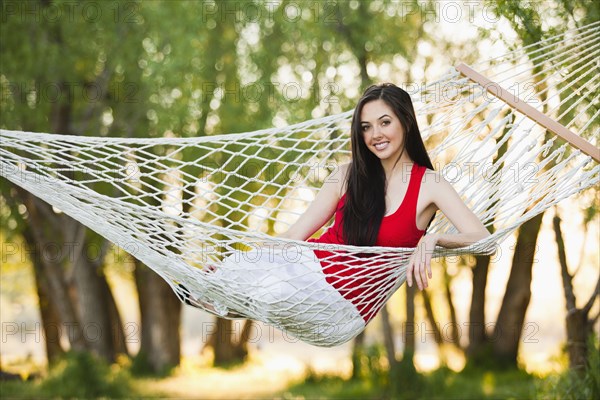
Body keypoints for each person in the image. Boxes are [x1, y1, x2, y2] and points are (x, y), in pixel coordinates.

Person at [182, 83, 490, 346]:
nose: (375, 134)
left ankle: (233, 296)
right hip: (307, 269)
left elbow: (484, 241)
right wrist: (251, 260)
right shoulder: (345, 175)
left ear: (406, 123)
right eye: (366, 127)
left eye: (385, 122)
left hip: (343, 307)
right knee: (239, 270)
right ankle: (224, 292)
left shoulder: (430, 185)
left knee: (274, 294)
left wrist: (434, 239)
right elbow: (293, 236)